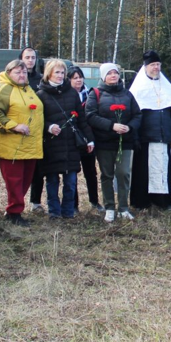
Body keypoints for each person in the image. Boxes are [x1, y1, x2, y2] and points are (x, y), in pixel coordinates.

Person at [35, 59, 95, 219]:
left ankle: (68, 212)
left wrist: (89, 139)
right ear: (49, 74)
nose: (60, 76)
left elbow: (81, 119)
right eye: (57, 72)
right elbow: (36, 120)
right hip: (52, 144)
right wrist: (48, 127)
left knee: (71, 181)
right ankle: (54, 212)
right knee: (52, 181)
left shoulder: (71, 93)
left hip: (71, 144)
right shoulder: (41, 94)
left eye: (62, 73)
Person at [0, 60, 44, 226]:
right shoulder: (3, 89)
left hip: (31, 144)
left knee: (26, 180)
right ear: (9, 73)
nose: (21, 75)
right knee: (14, 180)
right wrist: (14, 126)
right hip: (12, 145)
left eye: (24, 72)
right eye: (17, 72)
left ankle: (15, 209)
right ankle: (14, 212)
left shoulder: (28, 89)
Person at [129, 50, 171, 210]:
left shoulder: (166, 87)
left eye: (158, 65)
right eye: (153, 65)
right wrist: (135, 138)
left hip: (164, 138)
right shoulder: (138, 88)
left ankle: (163, 202)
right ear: (146, 67)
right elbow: (133, 115)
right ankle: (141, 202)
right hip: (144, 140)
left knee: (163, 172)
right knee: (142, 173)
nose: (156, 68)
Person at [86, 63, 142, 223]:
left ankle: (123, 207)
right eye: (109, 73)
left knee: (124, 174)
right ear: (103, 76)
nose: (113, 76)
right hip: (105, 142)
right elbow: (90, 115)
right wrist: (111, 126)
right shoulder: (95, 93)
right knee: (107, 175)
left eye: (115, 73)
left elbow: (137, 115)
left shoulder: (127, 94)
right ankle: (109, 207)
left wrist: (129, 127)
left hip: (125, 142)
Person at [70, 66, 102, 211]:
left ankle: (94, 201)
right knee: (73, 174)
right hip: (73, 139)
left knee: (91, 172)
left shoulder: (91, 93)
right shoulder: (67, 95)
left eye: (80, 77)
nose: (78, 80)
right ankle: (74, 204)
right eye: (75, 78)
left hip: (88, 137)